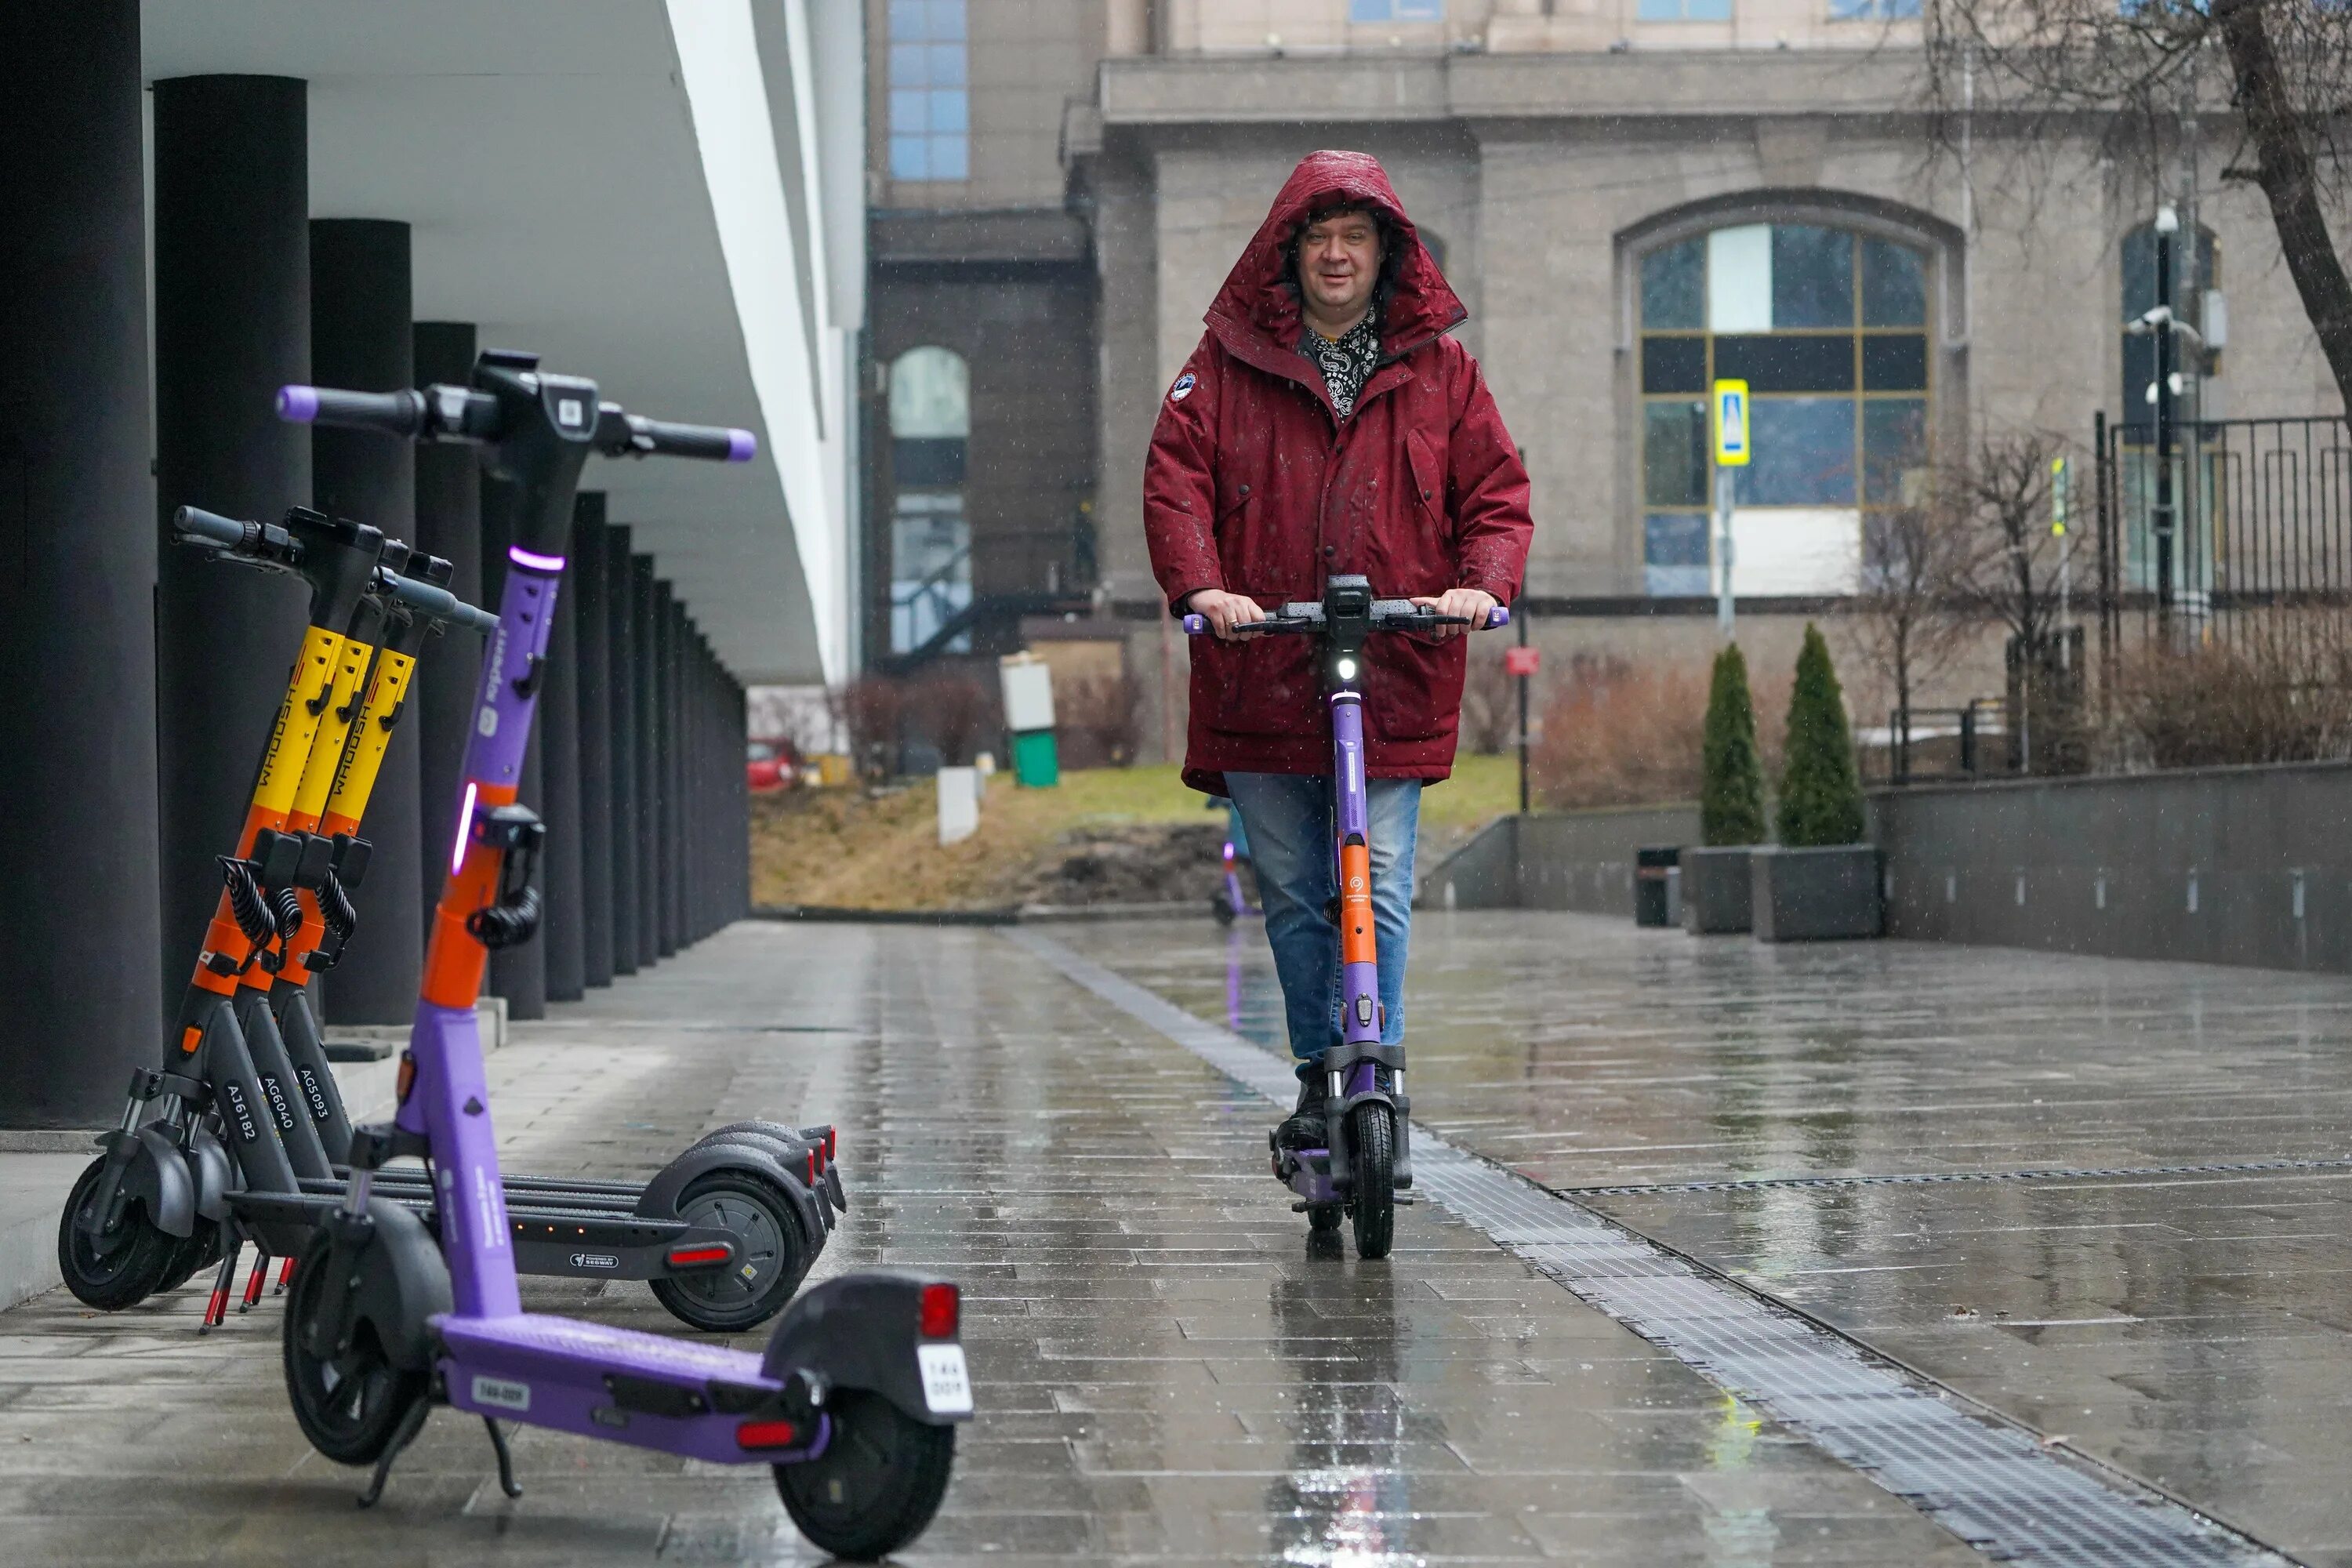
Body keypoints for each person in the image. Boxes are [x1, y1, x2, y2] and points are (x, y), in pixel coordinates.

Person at [1144, 150, 1534, 1148]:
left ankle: (1377, 1069)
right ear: (1288, 252)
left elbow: (1495, 494)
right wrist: (1206, 588)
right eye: (1317, 235)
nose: (1335, 252)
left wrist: (1478, 588)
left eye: (1354, 235)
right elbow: (1175, 479)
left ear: (1386, 253)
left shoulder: (1443, 373)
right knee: (1293, 893)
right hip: (1261, 669)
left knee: (1380, 877)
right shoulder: (1223, 367)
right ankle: (1324, 1077)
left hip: (1393, 667)